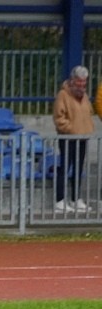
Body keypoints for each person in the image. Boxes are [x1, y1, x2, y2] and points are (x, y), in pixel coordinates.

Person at [54, 65, 94, 213]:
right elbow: (59, 118)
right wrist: (72, 129)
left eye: (84, 83)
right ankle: (60, 200)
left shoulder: (85, 97)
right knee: (65, 168)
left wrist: (87, 129)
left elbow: (88, 113)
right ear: (72, 81)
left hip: (82, 138)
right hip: (68, 138)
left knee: (78, 169)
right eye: (79, 82)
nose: (82, 86)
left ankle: (76, 198)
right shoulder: (62, 95)